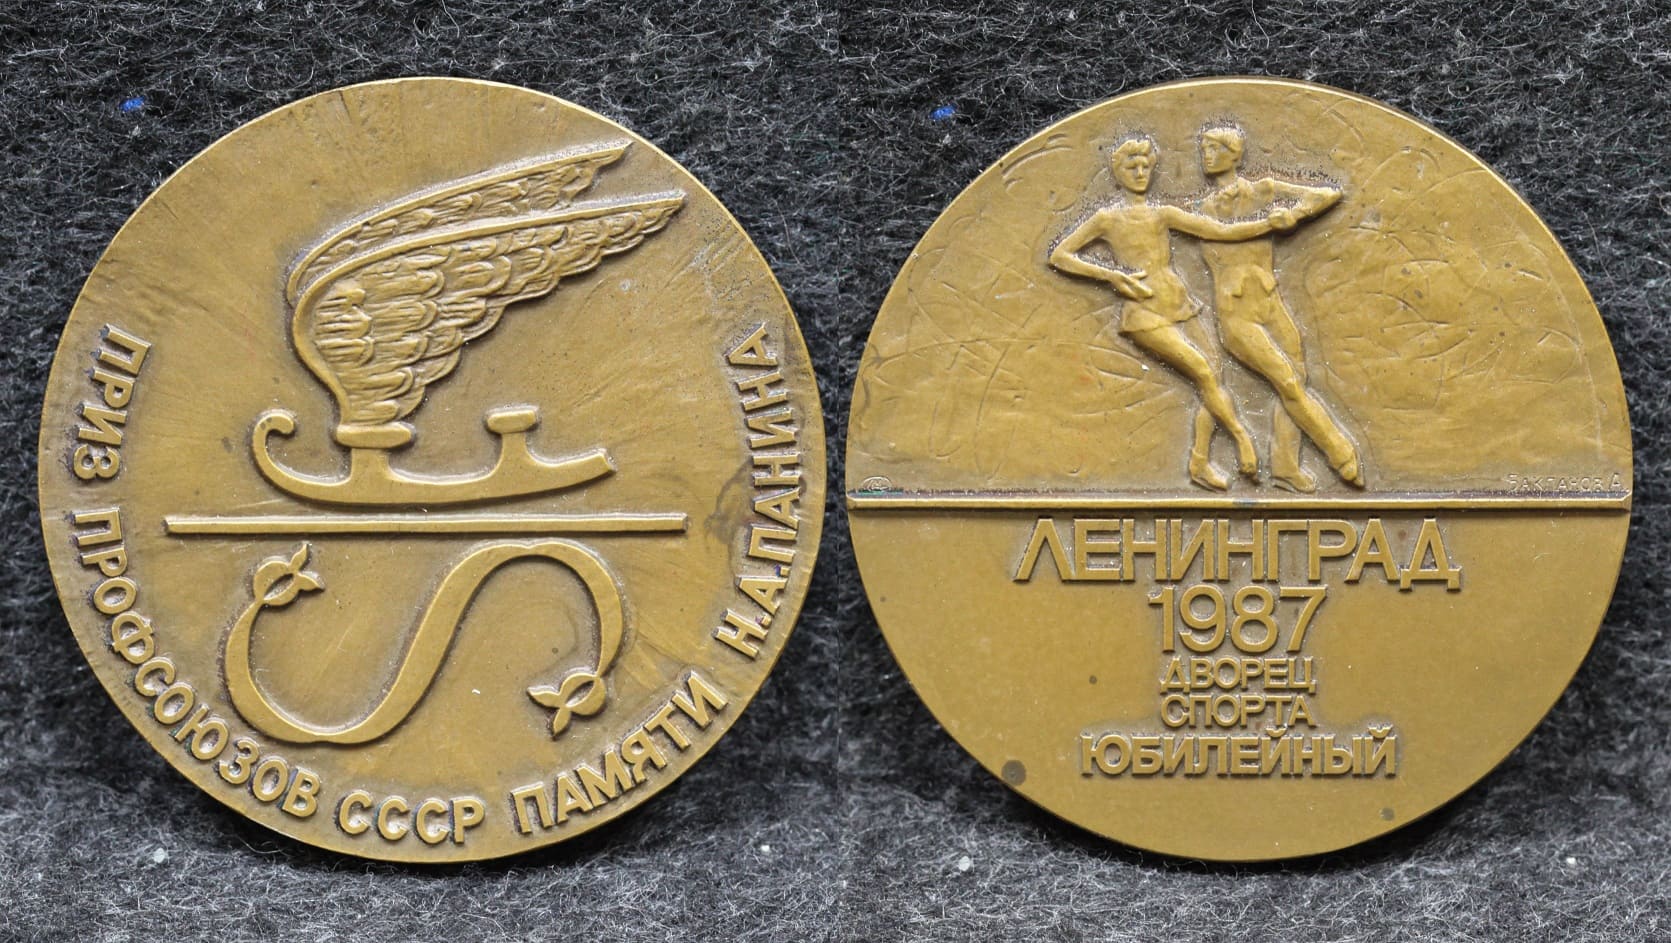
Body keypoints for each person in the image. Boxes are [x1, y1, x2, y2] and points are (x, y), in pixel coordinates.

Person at [1050, 135, 1294, 490]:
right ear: (1117, 173)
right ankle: (1243, 440)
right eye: (1131, 167)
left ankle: (1199, 463)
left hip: (1178, 302)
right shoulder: (1106, 218)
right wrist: (1112, 276)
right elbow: (1060, 255)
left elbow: (1221, 231)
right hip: (1143, 310)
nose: (1139, 173)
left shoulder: (1162, 214)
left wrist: (1269, 225)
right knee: (1203, 372)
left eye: (1144, 166)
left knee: (1213, 378)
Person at [1194, 124, 1363, 491]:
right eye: (1203, 148)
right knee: (1287, 381)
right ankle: (1340, 453)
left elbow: (1328, 194)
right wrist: (1269, 223)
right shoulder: (1203, 211)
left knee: (1295, 381)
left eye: (1214, 148)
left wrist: (1296, 215)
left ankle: (1285, 467)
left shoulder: (1264, 191)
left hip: (1270, 302)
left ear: (1234, 155)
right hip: (1236, 312)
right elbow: (1224, 240)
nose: (1206, 155)